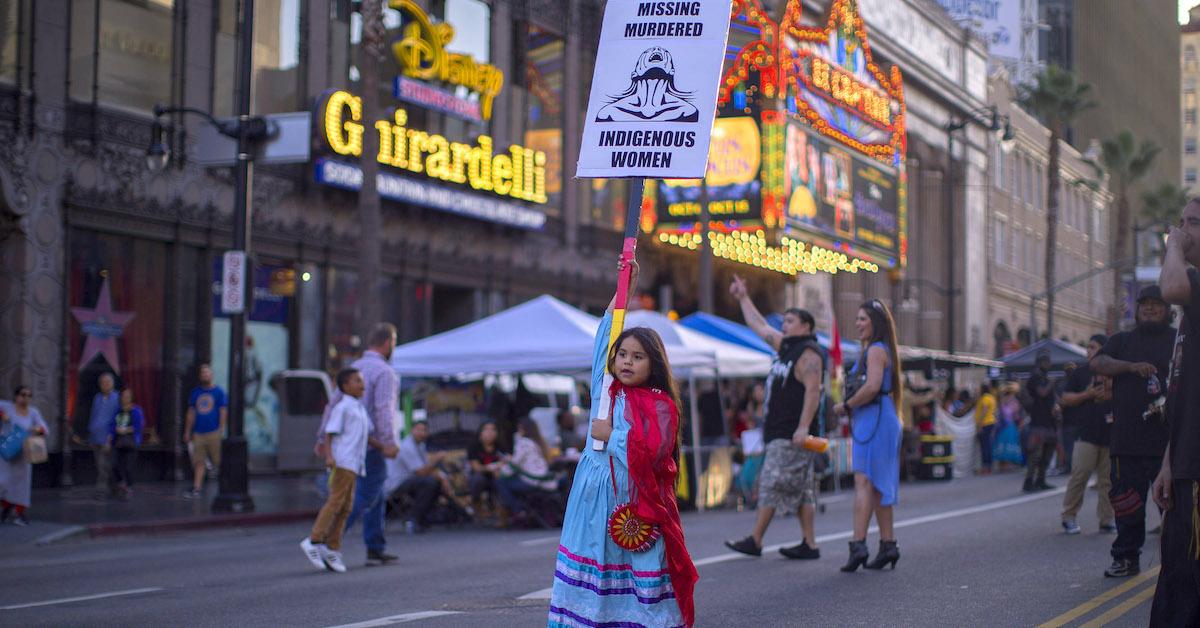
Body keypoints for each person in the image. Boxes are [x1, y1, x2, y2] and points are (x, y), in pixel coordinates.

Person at [549, 258, 697, 628]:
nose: (627, 362)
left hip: (636, 498)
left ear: (654, 363)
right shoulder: (605, 388)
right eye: (623, 355)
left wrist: (611, 436)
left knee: (640, 569)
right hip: (592, 495)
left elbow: (655, 452)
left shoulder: (660, 405)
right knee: (592, 564)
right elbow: (605, 332)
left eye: (638, 357)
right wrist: (625, 287)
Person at [723, 274, 826, 560]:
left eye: (791, 321)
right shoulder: (786, 348)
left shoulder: (809, 355)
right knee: (803, 489)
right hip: (784, 431)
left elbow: (813, 393)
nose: (784, 324)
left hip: (791, 432)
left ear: (806, 326)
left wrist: (803, 427)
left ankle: (755, 540)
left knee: (770, 482)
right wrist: (743, 297)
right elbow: (759, 325)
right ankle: (810, 543)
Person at [1090, 285, 1174, 578]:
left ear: (1168, 309)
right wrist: (1128, 367)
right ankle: (1126, 557)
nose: (1150, 309)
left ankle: (1178, 565)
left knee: (1174, 510)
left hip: (1169, 445)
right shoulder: (1123, 341)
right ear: (1137, 310)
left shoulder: (1178, 341)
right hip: (1127, 442)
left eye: (1157, 304)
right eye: (1145, 304)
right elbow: (1097, 362)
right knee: (1127, 506)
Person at [1151, 202, 1200, 622]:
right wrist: (1168, 461)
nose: (1183, 230)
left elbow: (1171, 289)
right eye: (1181, 222)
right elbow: (1183, 392)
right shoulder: (1190, 312)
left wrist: (1173, 247)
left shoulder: (1191, 287)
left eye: (1195, 223)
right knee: (1178, 583)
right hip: (1186, 465)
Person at [833, 299, 903, 572]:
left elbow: (873, 386)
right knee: (877, 484)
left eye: (863, 319)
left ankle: (858, 545)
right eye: (858, 319)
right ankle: (888, 545)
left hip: (874, 417)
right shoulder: (880, 349)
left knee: (864, 482)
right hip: (876, 417)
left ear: (876, 322)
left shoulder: (874, 350)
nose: (858, 323)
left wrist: (847, 405)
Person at [341, 323, 402, 564]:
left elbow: (334, 404)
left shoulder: (354, 367)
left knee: (376, 494)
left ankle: (375, 546)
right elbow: (383, 410)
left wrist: (323, 439)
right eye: (394, 342)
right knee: (366, 494)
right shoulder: (385, 371)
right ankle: (326, 538)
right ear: (387, 342)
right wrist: (389, 443)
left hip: (350, 442)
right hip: (372, 444)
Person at [301, 368, 370, 574]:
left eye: (362, 381)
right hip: (343, 462)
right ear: (345, 385)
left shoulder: (359, 408)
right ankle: (314, 540)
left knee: (346, 507)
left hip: (355, 464)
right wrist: (330, 457)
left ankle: (333, 547)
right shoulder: (342, 407)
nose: (362, 384)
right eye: (357, 381)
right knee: (336, 502)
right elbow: (330, 433)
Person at [1059, 334, 1114, 535]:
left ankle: (1107, 520)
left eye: (1093, 347)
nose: (1089, 351)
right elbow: (1065, 398)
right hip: (1086, 434)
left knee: (1108, 481)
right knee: (1080, 475)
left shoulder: (1114, 373)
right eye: (1088, 347)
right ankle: (1069, 516)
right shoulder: (1081, 373)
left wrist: (1111, 391)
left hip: (1110, 434)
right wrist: (1088, 394)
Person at [389, 420, 451, 533]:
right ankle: (413, 519)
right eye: (419, 430)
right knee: (430, 482)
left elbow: (427, 469)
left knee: (435, 482)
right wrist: (436, 459)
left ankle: (422, 517)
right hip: (397, 483)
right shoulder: (407, 446)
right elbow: (421, 472)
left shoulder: (420, 446)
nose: (421, 433)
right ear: (412, 430)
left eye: (424, 430)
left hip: (411, 481)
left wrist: (442, 477)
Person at [0, 386, 48, 525]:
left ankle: (20, 513)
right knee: (3, 481)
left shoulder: (33, 412)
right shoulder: (6, 407)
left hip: (24, 454)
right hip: (6, 451)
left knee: (22, 485)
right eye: (23, 394)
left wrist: (37, 428)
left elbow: (44, 428)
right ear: (16, 396)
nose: (25, 398)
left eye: (28, 395)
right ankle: (6, 507)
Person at [497, 417, 558, 524]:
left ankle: (518, 510)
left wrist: (502, 471)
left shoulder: (523, 443)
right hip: (544, 481)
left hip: (531, 481)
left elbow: (515, 465)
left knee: (501, 482)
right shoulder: (539, 442)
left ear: (523, 429)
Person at [183, 364, 226, 499]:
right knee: (199, 462)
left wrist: (221, 428)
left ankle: (224, 488)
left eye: (208, 373)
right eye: (203, 373)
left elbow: (223, 411)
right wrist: (187, 431)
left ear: (212, 375)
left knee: (218, 461)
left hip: (213, 432)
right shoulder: (196, 392)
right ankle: (197, 489)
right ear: (200, 376)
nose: (205, 375)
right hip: (198, 432)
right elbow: (191, 412)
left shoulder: (219, 392)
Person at [1022, 352, 1059, 492]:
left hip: (1048, 422)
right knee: (1035, 454)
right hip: (1038, 422)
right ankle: (1029, 481)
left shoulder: (1043, 377)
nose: (1049, 364)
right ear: (1042, 362)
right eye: (1047, 361)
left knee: (1047, 451)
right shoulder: (1036, 377)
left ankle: (1041, 480)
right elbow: (1041, 392)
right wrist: (1052, 383)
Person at [108, 388, 144, 500]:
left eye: (128, 396)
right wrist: (112, 433)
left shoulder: (136, 410)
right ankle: (120, 482)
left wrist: (126, 430)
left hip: (131, 442)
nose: (125, 399)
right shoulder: (118, 411)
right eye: (124, 396)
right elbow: (112, 424)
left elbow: (139, 426)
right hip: (118, 442)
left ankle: (129, 486)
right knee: (114, 464)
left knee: (128, 466)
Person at [88, 373, 120, 497]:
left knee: (103, 465)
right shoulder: (97, 397)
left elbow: (117, 419)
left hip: (108, 437)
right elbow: (93, 415)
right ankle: (115, 487)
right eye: (103, 382)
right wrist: (90, 433)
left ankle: (101, 491)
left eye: (108, 382)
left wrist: (110, 438)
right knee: (101, 465)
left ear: (112, 383)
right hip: (95, 436)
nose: (105, 384)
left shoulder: (117, 398)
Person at [467, 420, 506, 516]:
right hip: (480, 475)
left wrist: (500, 467)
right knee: (478, 479)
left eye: (493, 430)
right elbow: (475, 467)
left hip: (496, 475)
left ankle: (503, 511)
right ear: (480, 432)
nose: (490, 432)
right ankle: (477, 503)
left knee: (502, 479)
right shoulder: (474, 446)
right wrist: (490, 468)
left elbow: (506, 461)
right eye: (486, 429)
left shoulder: (501, 445)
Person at [974, 383, 997, 475]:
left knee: (985, 446)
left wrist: (980, 424)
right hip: (991, 422)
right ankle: (989, 466)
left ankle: (985, 467)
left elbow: (984, 409)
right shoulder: (992, 397)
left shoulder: (985, 398)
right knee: (988, 444)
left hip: (985, 423)